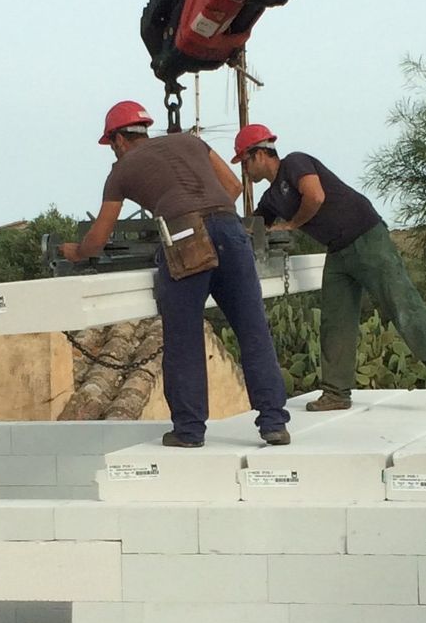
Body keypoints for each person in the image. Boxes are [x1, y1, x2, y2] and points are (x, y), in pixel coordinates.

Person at [63, 100, 292, 448]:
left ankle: (189, 430)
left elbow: (98, 238)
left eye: (111, 145)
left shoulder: (121, 171)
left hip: (186, 238)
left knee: (184, 339)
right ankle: (274, 423)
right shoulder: (189, 141)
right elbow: (232, 187)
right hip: (232, 231)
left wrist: (75, 252)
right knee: (253, 329)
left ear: (118, 140)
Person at [235, 124, 426, 412]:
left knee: (399, 300)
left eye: (243, 161)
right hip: (338, 249)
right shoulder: (270, 198)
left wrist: (292, 224)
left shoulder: (295, 162)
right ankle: (336, 393)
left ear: (259, 155)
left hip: (366, 236)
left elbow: (314, 196)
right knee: (335, 320)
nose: (244, 170)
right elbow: (254, 228)